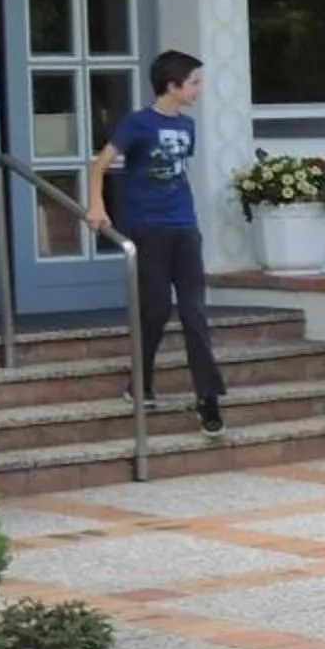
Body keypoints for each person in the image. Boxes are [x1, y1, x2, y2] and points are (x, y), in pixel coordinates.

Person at [88, 49, 227, 434]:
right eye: (194, 83)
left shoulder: (187, 127)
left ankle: (208, 398)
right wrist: (97, 206)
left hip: (184, 226)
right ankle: (141, 381)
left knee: (194, 313)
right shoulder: (137, 124)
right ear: (172, 85)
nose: (198, 89)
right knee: (155, 310)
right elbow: (99, 166)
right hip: (146, 229)